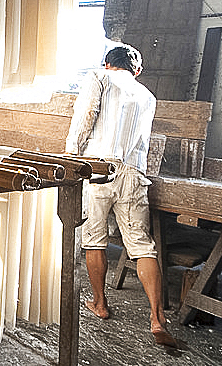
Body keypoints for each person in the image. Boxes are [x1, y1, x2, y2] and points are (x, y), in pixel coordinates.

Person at [65, 44, 178, 348]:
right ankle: (156, 319)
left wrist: (71, 156)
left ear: (107, 63)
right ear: (137, 71)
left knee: (94, 238)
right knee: (142, 246)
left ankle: (100, 304)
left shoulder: (99, 76)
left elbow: (85, 115)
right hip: (134, 172)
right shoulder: (148, 96)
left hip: (100, 167)